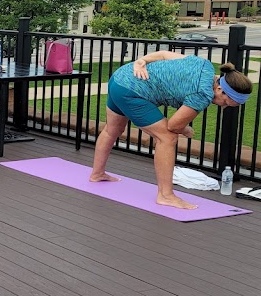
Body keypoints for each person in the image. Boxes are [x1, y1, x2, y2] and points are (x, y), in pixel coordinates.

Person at [90, 52, 253, 209]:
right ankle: (166, 196)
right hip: (132, 92)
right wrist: (185, 129)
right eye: (227, 102)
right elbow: (174, 126)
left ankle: (97, 174)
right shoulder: (202, 94)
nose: (224, 106)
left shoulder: (205, 65)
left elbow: (163, 55)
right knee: (167, 138)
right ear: (219, 90)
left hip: (120, 78)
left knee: (112, 130)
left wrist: (141, 61)